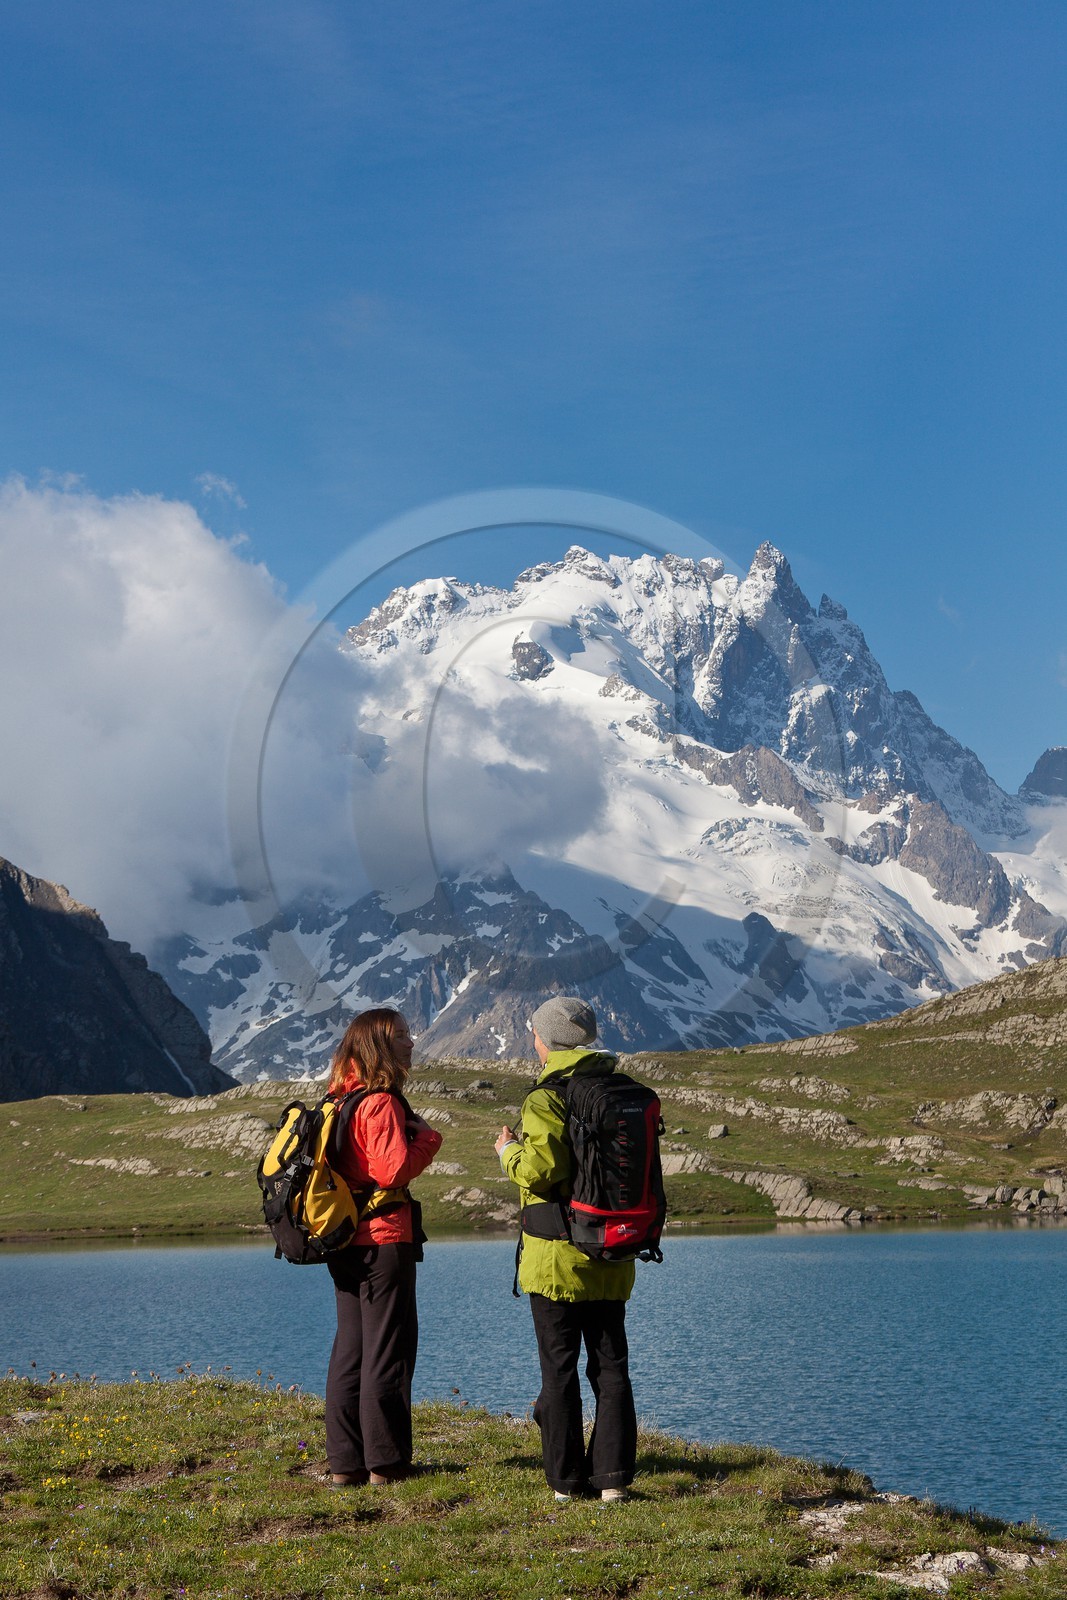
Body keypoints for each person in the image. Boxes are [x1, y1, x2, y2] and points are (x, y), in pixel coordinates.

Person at [495, 996, 637, 1503]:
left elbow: (542, 1169)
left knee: (559, 1368)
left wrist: (508, 1151)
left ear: (547, 1040)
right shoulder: (620, 1089)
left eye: (534, 1032)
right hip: (614, 1251)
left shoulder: (546, 1096)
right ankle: (614, 1481)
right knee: (611, 1366)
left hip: (556, 1256)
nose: (532, 1040)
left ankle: (565, 1482)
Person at [324, 1007, 441, 1487]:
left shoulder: (339, 1098)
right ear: (379, 1046)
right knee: (388, 1351)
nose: (412, 1043)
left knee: (350, 1349)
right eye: (402, 1037)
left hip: (343, 1240)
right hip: (383, 1240)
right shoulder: (381, 1102)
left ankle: (346, 1464)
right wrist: (429, 1141)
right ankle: (387, 1464)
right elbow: (391, 1171)